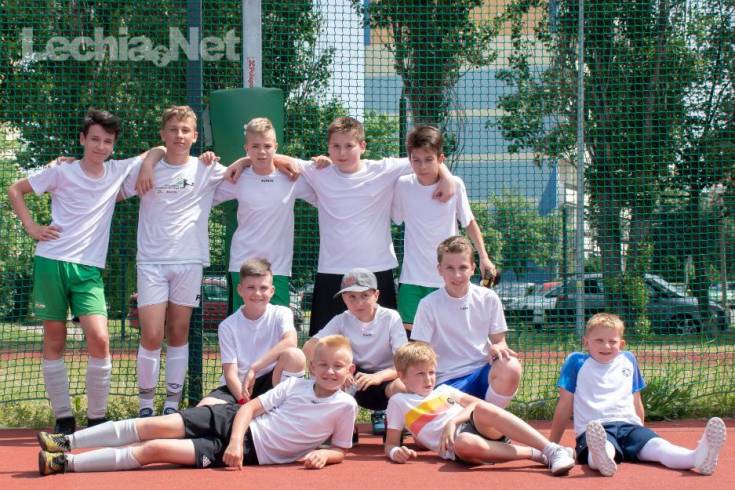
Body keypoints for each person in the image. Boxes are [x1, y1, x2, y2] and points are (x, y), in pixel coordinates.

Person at [226, 116, 456, 335]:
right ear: (328, 148)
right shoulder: (319, 172)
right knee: (324, 345)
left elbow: (425, 157)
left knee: (383, 343)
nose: (342, 152)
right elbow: (269, 155)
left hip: (377, 269)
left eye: (349, 146)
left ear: (362, 146)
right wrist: (243, 161)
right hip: (332, 272)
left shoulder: (383, 169)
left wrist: (446, 176)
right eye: (336, 146)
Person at [7, 109, 160, 434]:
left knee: (100, 338)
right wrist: (32, 227)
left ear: (113, 145)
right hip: (51, 261)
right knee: (55, 338)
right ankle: (64, 418)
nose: (100, 146)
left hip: (89, 270)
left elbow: (157, 149)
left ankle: (96, 420)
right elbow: (15, 190)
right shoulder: (61, 172)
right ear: (82, 139)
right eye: (95, 139)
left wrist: (147, 164)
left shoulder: (117, 170)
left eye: (107, 141)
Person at [36, 334, 358, 475]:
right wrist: (235, 441)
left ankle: (64, 463)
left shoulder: (345, 406)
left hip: (252, 452)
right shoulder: (294, 385)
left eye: (338, 367)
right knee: (152, 425)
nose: (330, 372)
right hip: (232, 422)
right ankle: (66, 442)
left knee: (154, 450)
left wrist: (325, 455)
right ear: (312, 367)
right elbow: (248, 409)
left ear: (349, 370)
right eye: (323, 365)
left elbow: (341, 449)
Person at [121, 105, 227, 417]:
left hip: (189, 262)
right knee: (152, 334)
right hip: (151, 263)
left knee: (179, 331)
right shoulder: (146, 169)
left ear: (195, 136)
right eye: (173, 130)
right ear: (163, 134)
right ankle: (145, 405)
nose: (179, 135)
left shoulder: (207, 169)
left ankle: (171, 403)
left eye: (185, 130)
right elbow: (109, 190)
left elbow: (247, 167)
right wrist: (148, 161)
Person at [549, 312, 726, 477]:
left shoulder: (628, 359)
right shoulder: (576, 362)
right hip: (595, 428)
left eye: (612, 341)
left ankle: (697, 457)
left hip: (630, 427)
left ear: (621, 344)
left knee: (659, 447)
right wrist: (551, 447)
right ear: (586, 342)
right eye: (599, 340)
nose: (606, 346)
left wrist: (642, 431)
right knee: (604, 446)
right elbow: (564, 405)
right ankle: (602, 456)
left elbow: (636, 400)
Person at [384, 342, 576, 476]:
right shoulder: (399, 402)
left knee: (484, 409)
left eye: (432, 372)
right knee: (463, 442)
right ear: (402, 376)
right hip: (461, 446)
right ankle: (538, 454)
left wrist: (453, 422)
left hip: (479, 426)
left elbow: (476, 404)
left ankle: (552, 449)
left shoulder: (444, 390)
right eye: (420, 374)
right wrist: (395, 452)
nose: (428, 379)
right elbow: (391, 444)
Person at [392, 125, 495, 332]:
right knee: (412, 338)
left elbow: (469, 222)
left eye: (429, 159)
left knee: (448, 334)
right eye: (416, 160)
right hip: (412, 278)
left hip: (447, 278)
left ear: (440, 158)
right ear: (409, 159)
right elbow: (396, 218)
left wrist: (484, 257)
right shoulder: (403, 185)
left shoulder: (455, 184)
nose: (422, 166)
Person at [212, 117, 316, 309]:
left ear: (275, 147)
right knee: (243, 323)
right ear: (246, 148)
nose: (261, 151)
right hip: (242, 265)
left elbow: (324, 190)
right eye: (255, 146)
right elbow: (203, 196)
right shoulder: (237, 177)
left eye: (267, 146)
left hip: (278, 268)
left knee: (280, 323)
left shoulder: (292, 177)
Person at [410, 236, 521, 409]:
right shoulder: (428, 304)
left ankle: (488, 420)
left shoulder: (489, 298)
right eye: (450, 268)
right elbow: (421, 352)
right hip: (446, 381)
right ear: (439, 270)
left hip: (483, 372)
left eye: (463, 267)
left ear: (473, 268)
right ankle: (478, 420)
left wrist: (498, 347)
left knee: (511, 366)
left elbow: (500, 342)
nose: (457, 275)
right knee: (438, 426)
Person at [303, 268, 408, 437]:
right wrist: (337, 372)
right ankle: (342, 424)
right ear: (343, 298)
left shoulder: (391, 317)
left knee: (402, 387)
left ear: (376, 295)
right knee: (329, 376)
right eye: (351, 297)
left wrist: (378, 377)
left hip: (386, 377)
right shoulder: (341, 319)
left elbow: (404, 363)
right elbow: (310, 346)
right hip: (353, 378)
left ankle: (392, 423)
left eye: (365, 296)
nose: (358, 303)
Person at [197, 258, 306, 407]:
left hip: (271, 383)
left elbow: (291, 341)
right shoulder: (227, 326)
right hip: (239, 388)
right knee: (204, 406)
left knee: (295, 355)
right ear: (239, 290)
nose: (257, 293)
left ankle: (285, 408)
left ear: (272, 291)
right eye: (250, 287)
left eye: (263, 288)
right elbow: (230, 375)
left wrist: (254, 368)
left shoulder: (282, 313)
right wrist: (245, 404)